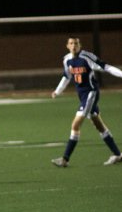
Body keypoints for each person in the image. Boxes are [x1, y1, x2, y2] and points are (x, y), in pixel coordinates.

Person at [51, 37, 122, 167]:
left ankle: (65, 159)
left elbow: (106, 67)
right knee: (99, 125)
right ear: (67, 45)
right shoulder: (67, 60)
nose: (74, 46)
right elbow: (67, 77)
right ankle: (117, 154)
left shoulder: (87, 57)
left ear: (80, 45)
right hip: (83, 96)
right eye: (71, 43)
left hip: (91, 94)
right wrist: (57, 91)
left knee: (75, 125)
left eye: (76, 43)